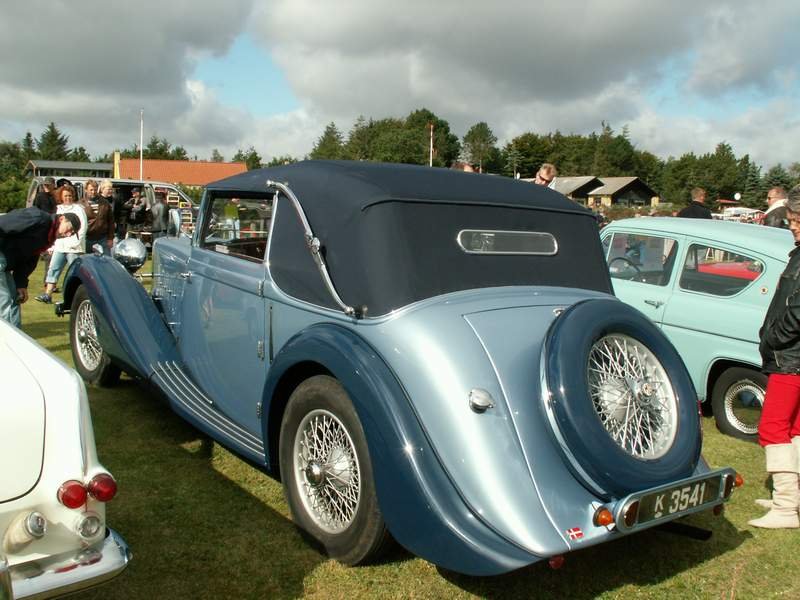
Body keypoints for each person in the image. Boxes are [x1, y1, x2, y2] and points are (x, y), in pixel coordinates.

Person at [749, 184, 800, 529]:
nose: (792, 226)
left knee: (772, 427)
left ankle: (785, 507)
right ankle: (792, 498)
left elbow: (796, 313)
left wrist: (772, 339)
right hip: (792, 357)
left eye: (797, 220)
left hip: (790, 358)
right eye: (792, 219)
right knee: (795, 427)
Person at [0, 208, 80, 327]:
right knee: (4, 301)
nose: (68, 234)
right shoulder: (38, 217)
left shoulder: (47, 238)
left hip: (5, 263)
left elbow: (27, 260)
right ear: (62, 219)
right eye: (70, 229)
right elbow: (4, 223)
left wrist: (21, 284)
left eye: (72, 234)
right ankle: (6, 337)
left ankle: (16, 336)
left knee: (14, 299)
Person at [35, 185, 87, 304]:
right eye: (65, 196)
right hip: (60, 246)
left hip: (74, 248)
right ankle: (48, 294)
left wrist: (75, 243)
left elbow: (83, 228)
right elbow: (54, 228)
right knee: (53, 269)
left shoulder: (78, 209)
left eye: (70, 196)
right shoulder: (58, 209)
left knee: (74, 272)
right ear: (61, 197)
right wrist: (52, 245)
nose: (68, 198)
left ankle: (73, 296)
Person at [82, 179, 115, 254]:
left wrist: (110, 238)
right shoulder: (80, 204)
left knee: (106, 260)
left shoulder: (105, 203)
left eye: (95, 190)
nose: (93, 192)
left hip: (102, 238)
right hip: (87, 239)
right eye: (91, 190)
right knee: (86, 260)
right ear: (86, 190)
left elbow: (111, 221)